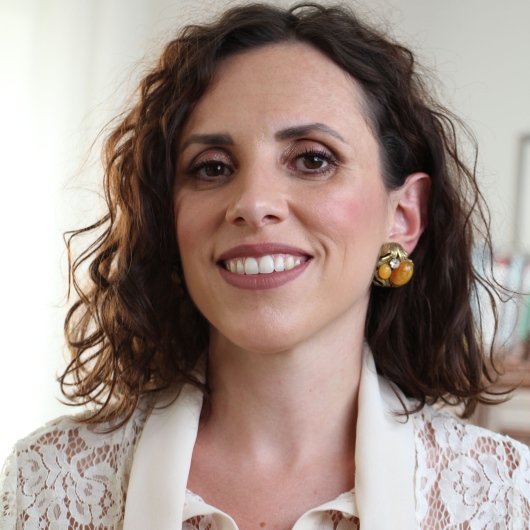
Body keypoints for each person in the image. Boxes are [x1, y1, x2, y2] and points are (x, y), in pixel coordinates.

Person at [1, 3, 530, 529]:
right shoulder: (42, 486)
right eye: (212, 168)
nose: (253, 203)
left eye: (313, 159)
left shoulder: (508, 501)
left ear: (403, 216)